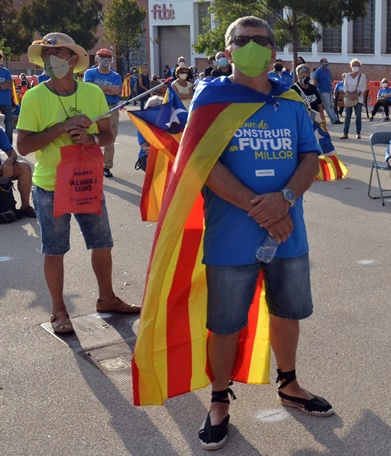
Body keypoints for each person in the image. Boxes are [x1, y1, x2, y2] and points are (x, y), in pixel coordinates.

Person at [143, 16, 331, 449]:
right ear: (227, 52)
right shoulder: (212, 99)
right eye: (242, 41)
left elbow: (310, 158)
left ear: (273, 51)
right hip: (232, 238)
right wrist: (261, 208)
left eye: (260, 41)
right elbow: (201, 166)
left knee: (288, 312)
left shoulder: (292, 98)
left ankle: (289, 383)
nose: (252, 46)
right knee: (225, 323)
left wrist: (283, 200)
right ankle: (219, 400)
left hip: (289, 233)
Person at [15, 32, 140, 335]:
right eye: (46, 54)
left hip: (88, 181)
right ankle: (59, 310)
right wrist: (62, 126)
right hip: (50, 184)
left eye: (56, 53)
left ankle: (107, 297)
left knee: (102, 244)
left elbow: (107, 134)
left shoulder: (92, 93)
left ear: (73, 59)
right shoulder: (34, 96)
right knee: (54, 249)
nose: (50, 59)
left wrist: (91, 138)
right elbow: (24, 146)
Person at [83, 49, 123, 178]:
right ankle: (91, 164)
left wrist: (98, 87)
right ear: (97, 58)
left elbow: (116, 91)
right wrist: (108, 88)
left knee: (110, 137)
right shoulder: (90, 73)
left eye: (108, 57)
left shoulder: (115, 76)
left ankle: (106, 166)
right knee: (91, 136)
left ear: (111, 60)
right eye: (102, 57)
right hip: (93, 108)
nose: (105, 60)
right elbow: (88, 88)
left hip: (111, 108)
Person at [340, 59, 366, 140]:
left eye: (357, 65)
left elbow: (363, 87)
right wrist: (348, 94)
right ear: (351, 67)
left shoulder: (362, 76)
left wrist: (357, 94)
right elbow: (345, 86)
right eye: (354, 65)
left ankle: (358, 133)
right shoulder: (347, 76)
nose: (356, 67)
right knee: (347, 116)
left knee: (358, 116)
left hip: (358, 98)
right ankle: (345, 133)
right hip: (349, 98)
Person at [312, 58, 339, 124]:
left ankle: (335, 118)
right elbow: (315, 80)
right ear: (321, 63)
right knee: (327, 106)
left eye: (327, 61)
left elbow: (330, 79)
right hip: (322, 90)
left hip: (329, 90)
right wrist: (315, 89)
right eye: (325, 61)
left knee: (331, 105)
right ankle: (333, 119)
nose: (326, 63)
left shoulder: (328, 70)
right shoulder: (318, 71)